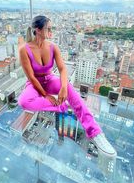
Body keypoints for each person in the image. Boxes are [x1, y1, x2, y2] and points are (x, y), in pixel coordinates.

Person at [18, 15, 117, 160]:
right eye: (48, 28)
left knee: (70, 89)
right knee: (24, 101)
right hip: (35, 83)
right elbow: (32, 77)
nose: (51, 31)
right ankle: (60, 107)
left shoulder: (53, 47)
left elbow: (63, 69)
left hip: (50, 79)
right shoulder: (24, 50)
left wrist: (64, 87)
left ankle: (95, 133)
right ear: (38, 30)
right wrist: (46, 96)